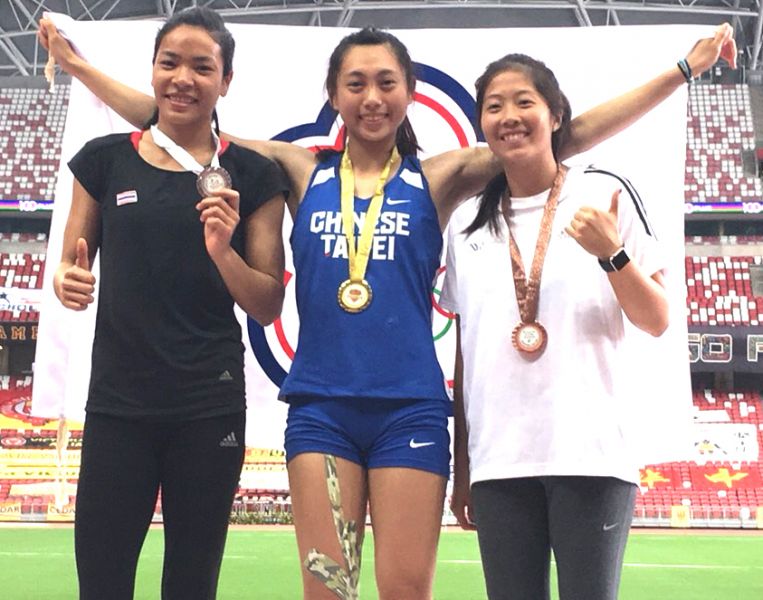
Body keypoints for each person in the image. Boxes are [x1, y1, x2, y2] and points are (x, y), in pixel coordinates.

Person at [39, 16, 735, 600]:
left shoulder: (441, 176)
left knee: (404, 591)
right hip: (321, 410)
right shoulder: (297, 169)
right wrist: (79, 69)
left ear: (408, 93)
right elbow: (175, 121)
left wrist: (682, 70)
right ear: (333, 96)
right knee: (330, 589)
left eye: (385, 83)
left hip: (410, 410)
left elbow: (567, 134)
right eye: (355, 84)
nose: (371, 97)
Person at [51, 8, 289, 599]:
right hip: (119, 403)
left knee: (191, 583)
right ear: (153, 70)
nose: (183, 78)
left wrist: (223, 251)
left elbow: (267, 304)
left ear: (225, 81)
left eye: (202, 67)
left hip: (207, 406)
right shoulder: (103, 159)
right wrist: (67, 281)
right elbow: (71, 264)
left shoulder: (253, 174)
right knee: (102, 582)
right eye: (170, 63)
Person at [441, 53, 673, 600]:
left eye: (524, 102)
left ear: (556, 115)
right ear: (482, 125)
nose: (509, 116)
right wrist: (463, 464)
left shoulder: (603, 193)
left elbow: (657, 319)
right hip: (498, 465)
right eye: (494, 106)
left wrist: (612, 254)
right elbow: (467, 351)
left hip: (590, 456)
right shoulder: (465, 221)